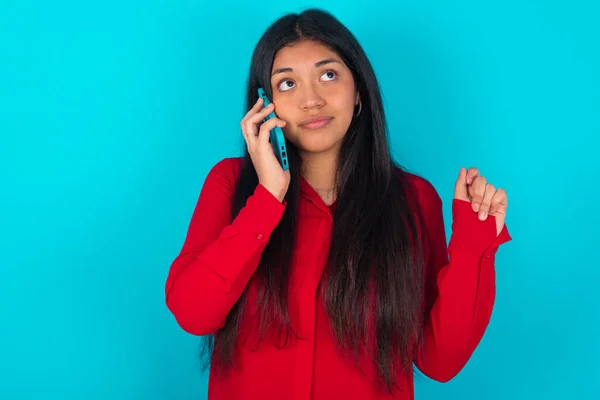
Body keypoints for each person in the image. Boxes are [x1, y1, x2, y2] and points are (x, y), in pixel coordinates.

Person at [165, 8, 511, 400]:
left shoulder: (413, 200)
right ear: (265, 104)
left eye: (328, 75)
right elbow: (194, 313)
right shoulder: (231, 185)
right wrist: (267, 198)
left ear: (358, 89)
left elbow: (439, 361)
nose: (311, 100)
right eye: (288, 83)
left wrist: (473, 246)